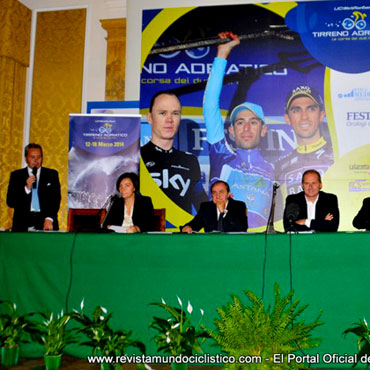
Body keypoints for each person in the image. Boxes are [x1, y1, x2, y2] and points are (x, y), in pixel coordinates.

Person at [203, 32, 274, 229]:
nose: (247, 128)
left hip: (262, 247)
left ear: (263, 130)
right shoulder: (221, 155)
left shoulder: (274, 167)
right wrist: (222, 54)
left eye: (253, 122)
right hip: (224, 242)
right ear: (232, 131)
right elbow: (210, 107)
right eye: (240, 122)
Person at [141, 91, 207, 214]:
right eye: (162, 113)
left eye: (175, 113)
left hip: (180, 232)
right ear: (150, 118)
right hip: (145, 232)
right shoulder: (136, 158)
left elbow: (204, 207)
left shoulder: (190, 161)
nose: (169, 119)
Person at [275, 85, 334, 196]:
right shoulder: (280, 166)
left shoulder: (337, 155)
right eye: (296, 110)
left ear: (321, 115)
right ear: (287, 118)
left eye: (311, 109)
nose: (304, 116)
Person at [6, 143, 61, 231]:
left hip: (45, 223)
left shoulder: (52, 174)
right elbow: (10, 201)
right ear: (26, 158)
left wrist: (49, 218)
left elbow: (55, 200)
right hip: (22, 224)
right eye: (32, 157)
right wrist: (26, 189)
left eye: (39, 157)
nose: (36, 160)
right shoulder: (16, 175)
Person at [181, 180, 248, 233]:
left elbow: (242, 228)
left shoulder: (239, 206)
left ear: (228, 194)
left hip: (233, 244)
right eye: (214, 192)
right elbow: (195, 224)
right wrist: (187, 227)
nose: (217, 195)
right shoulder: (206, 207)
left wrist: (223, 211)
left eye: (221, 192)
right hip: (211, 245)